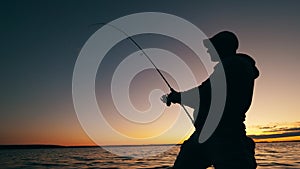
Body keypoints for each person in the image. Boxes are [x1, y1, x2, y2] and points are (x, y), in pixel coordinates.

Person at [161, 31, 259, 169]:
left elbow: (204, 94)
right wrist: (179, 97)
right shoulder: (232, 66)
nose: (208, 50)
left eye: (212, 46)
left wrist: (178, 97)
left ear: (223, 46)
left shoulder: (233, 66)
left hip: (224, 135)